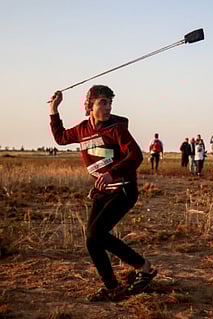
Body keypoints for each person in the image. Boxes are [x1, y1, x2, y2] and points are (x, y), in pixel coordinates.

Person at [49, 85, 156, 302]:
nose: (107, 108)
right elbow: (60, 138)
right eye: (102, 103)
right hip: (101, 192)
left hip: (123, 189)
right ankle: (112, 287)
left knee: (96, 234)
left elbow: (136, 156)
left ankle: (143, 267)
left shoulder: (117, 129)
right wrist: (53, 109)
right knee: (92, 240)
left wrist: (112, 174)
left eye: (110, 103)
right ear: (89, 106)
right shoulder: (81, 129)